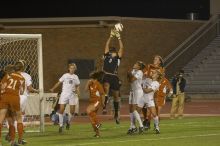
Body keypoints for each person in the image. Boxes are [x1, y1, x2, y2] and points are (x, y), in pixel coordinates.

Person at [50, 63, 80, 133]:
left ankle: (68, 122)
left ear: (75, 69)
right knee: (61, 110)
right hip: (64, 94)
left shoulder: (76, 77)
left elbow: (78, 86)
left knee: (72, 112)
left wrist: (78, 92)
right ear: (69, 69)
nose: (72, 69)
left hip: (72, 95)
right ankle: (61, 126)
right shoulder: (65, 75)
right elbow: (59, 82)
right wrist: (53, 88)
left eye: (73, 68)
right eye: (71, 68)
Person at [102, 29, 124, 124]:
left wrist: (119, 38)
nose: (111, 52)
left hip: (114, 76)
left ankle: (115, 114)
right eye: (110, 51)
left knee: (116, 96)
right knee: (106, 87)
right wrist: (110, 36)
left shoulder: (117, 57)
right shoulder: (107, 55)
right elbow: (106, 45)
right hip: (106, 74)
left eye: (112, 51)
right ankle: (104, 106)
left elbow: (122, 48)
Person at [0, 64, 25, 146]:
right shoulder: (22, 78)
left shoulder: (8, 75)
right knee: (18, 119)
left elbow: (2, 87)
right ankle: (19, 140)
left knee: (2, 120)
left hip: (4, 97)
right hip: (14, 98)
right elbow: (21, 92)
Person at [142, 55, 165, 129]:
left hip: (155, 89)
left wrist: (150, 70)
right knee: (145, 106)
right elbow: (145, 75)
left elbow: (158, 76)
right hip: (148, 87)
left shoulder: (161, 69)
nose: (154, 60)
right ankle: (147, 120)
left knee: (154, 105)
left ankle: (153, 122)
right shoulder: (150, 68)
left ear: (160, 61)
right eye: (154, 59)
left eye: (156, 59)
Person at [137, 70, 162, 134]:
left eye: (154, 73)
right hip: (142, 98)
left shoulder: (156, 83)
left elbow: (147, 91)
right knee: (136, 113)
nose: (153, 73)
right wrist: (143, 77)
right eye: (152, 72)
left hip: (149, 99)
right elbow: (139, 82)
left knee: (154, 114)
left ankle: (156, 127)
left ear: (157, 75)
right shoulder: (148, 79)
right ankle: (139, 126)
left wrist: (142, 87)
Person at [127, 61, 145, 134]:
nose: (134, 64)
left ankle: (140, 126)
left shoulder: (140, 72)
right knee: (131, 110)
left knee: (134, 110)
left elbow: (131, 79)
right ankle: (132, 127)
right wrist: (129, 74)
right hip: (132, 91)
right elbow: (129, 81)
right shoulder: (133, 71)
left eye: (136, 64)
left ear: (139, 67)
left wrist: (129, 74)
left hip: (138, 91)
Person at [85, 71, 105, 138]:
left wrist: (103, 103)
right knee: (92, 119)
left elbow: (102, 94)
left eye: (91, 77)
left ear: (94, 78)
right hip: (91, 102)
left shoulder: (98, 84)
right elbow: (85, 90)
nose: (89, 78)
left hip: (97, 102)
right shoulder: (90, 84)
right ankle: (97, 134)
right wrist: (88, 83)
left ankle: (98, 124)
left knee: (88, 110)